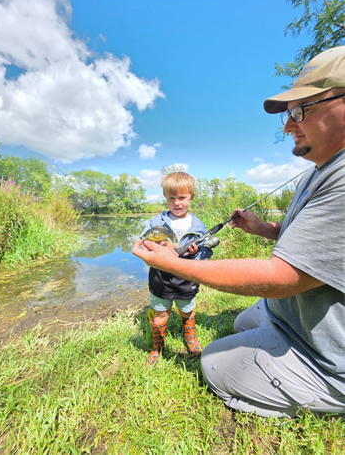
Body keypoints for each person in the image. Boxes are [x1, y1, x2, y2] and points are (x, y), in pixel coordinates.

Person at [133, 46, 345, 417]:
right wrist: (265, 229)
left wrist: (175, 263)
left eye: (300, 111)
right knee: (241, 322)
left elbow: (284, 277)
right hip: (296, 317)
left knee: (213, 363)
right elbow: (316, 243)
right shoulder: (316, 172)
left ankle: (326, 388)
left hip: (328, 355)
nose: (287, 125)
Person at [140, 172, 213, 365]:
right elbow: (144, 242)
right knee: (160, 312)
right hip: (160, 276)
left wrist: (195, 253)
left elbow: (205, 253)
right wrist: (163, 246)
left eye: (182, 198)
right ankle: (157, 347)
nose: (177, 203)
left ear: (191, 197)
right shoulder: (156, 222)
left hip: (186, 276)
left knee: (187, 310)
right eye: (171, 198)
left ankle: (191, 338)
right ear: (165, 198)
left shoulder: (198, 226)